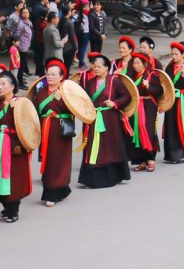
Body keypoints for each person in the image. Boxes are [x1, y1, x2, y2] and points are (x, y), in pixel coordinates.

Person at [0, 71, 32, 223]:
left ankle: (13, 210)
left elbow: (29, 126)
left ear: (12, 86)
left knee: (14, 178)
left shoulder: (21, 103)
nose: (0, 87)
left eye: (4, 84)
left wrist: (14, 110)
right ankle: (6, 206)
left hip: (16, 147)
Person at [77, 53, 132, 189]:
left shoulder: (114, 81)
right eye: (94, 66)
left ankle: (113, 176)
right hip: (94, 118)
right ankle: (92, 179)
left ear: (107, 67)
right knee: (93, 146)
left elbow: (126, 96)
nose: (96, 69)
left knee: (110, 146)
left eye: (99, 67)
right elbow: (84, 99)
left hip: (110, 120)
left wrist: (114, 103)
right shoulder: (89, 83)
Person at [32, 60, 74, 207]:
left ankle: (55, 192)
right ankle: (53, 189)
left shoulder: (67, 91)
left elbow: (75, 111)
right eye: (48, 73)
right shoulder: (41, 91)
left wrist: (61, 101)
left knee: (59, 161)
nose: (50, 77)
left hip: (61, 130)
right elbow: (35, 111)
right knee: (48, 160)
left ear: (61, 76)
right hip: (46, 129)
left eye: (54, 74)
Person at [162, 42, 184, 163]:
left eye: (176, 54)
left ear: (183, 54)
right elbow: (166, 83)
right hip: (173, 100)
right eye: (172, 54)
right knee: (172, 126)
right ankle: (173, 155)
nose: (174, 56)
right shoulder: (170, 67)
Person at [128, 53, 162, 171]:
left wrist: (149, 87)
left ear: (145, 64)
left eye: (138, 63)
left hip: (148, 105)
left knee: (147, 130)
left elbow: (159, 91)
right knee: (136, 130)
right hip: (136, 105)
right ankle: (141, 160)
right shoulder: (132, 76)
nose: (135, 65)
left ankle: (150, 158)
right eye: (134, 63)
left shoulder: (152, 75)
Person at [15, 7, 33, 84]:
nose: (26, 14)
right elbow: (16, 35)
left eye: (27, 13)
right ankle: (20, 82)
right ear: (21, 14)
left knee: (23, 64)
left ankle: (21, 78)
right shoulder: (21, 23)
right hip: (21, 46)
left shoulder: (28, 22)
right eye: (24, 13)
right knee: (22, 64)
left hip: (26, 45)